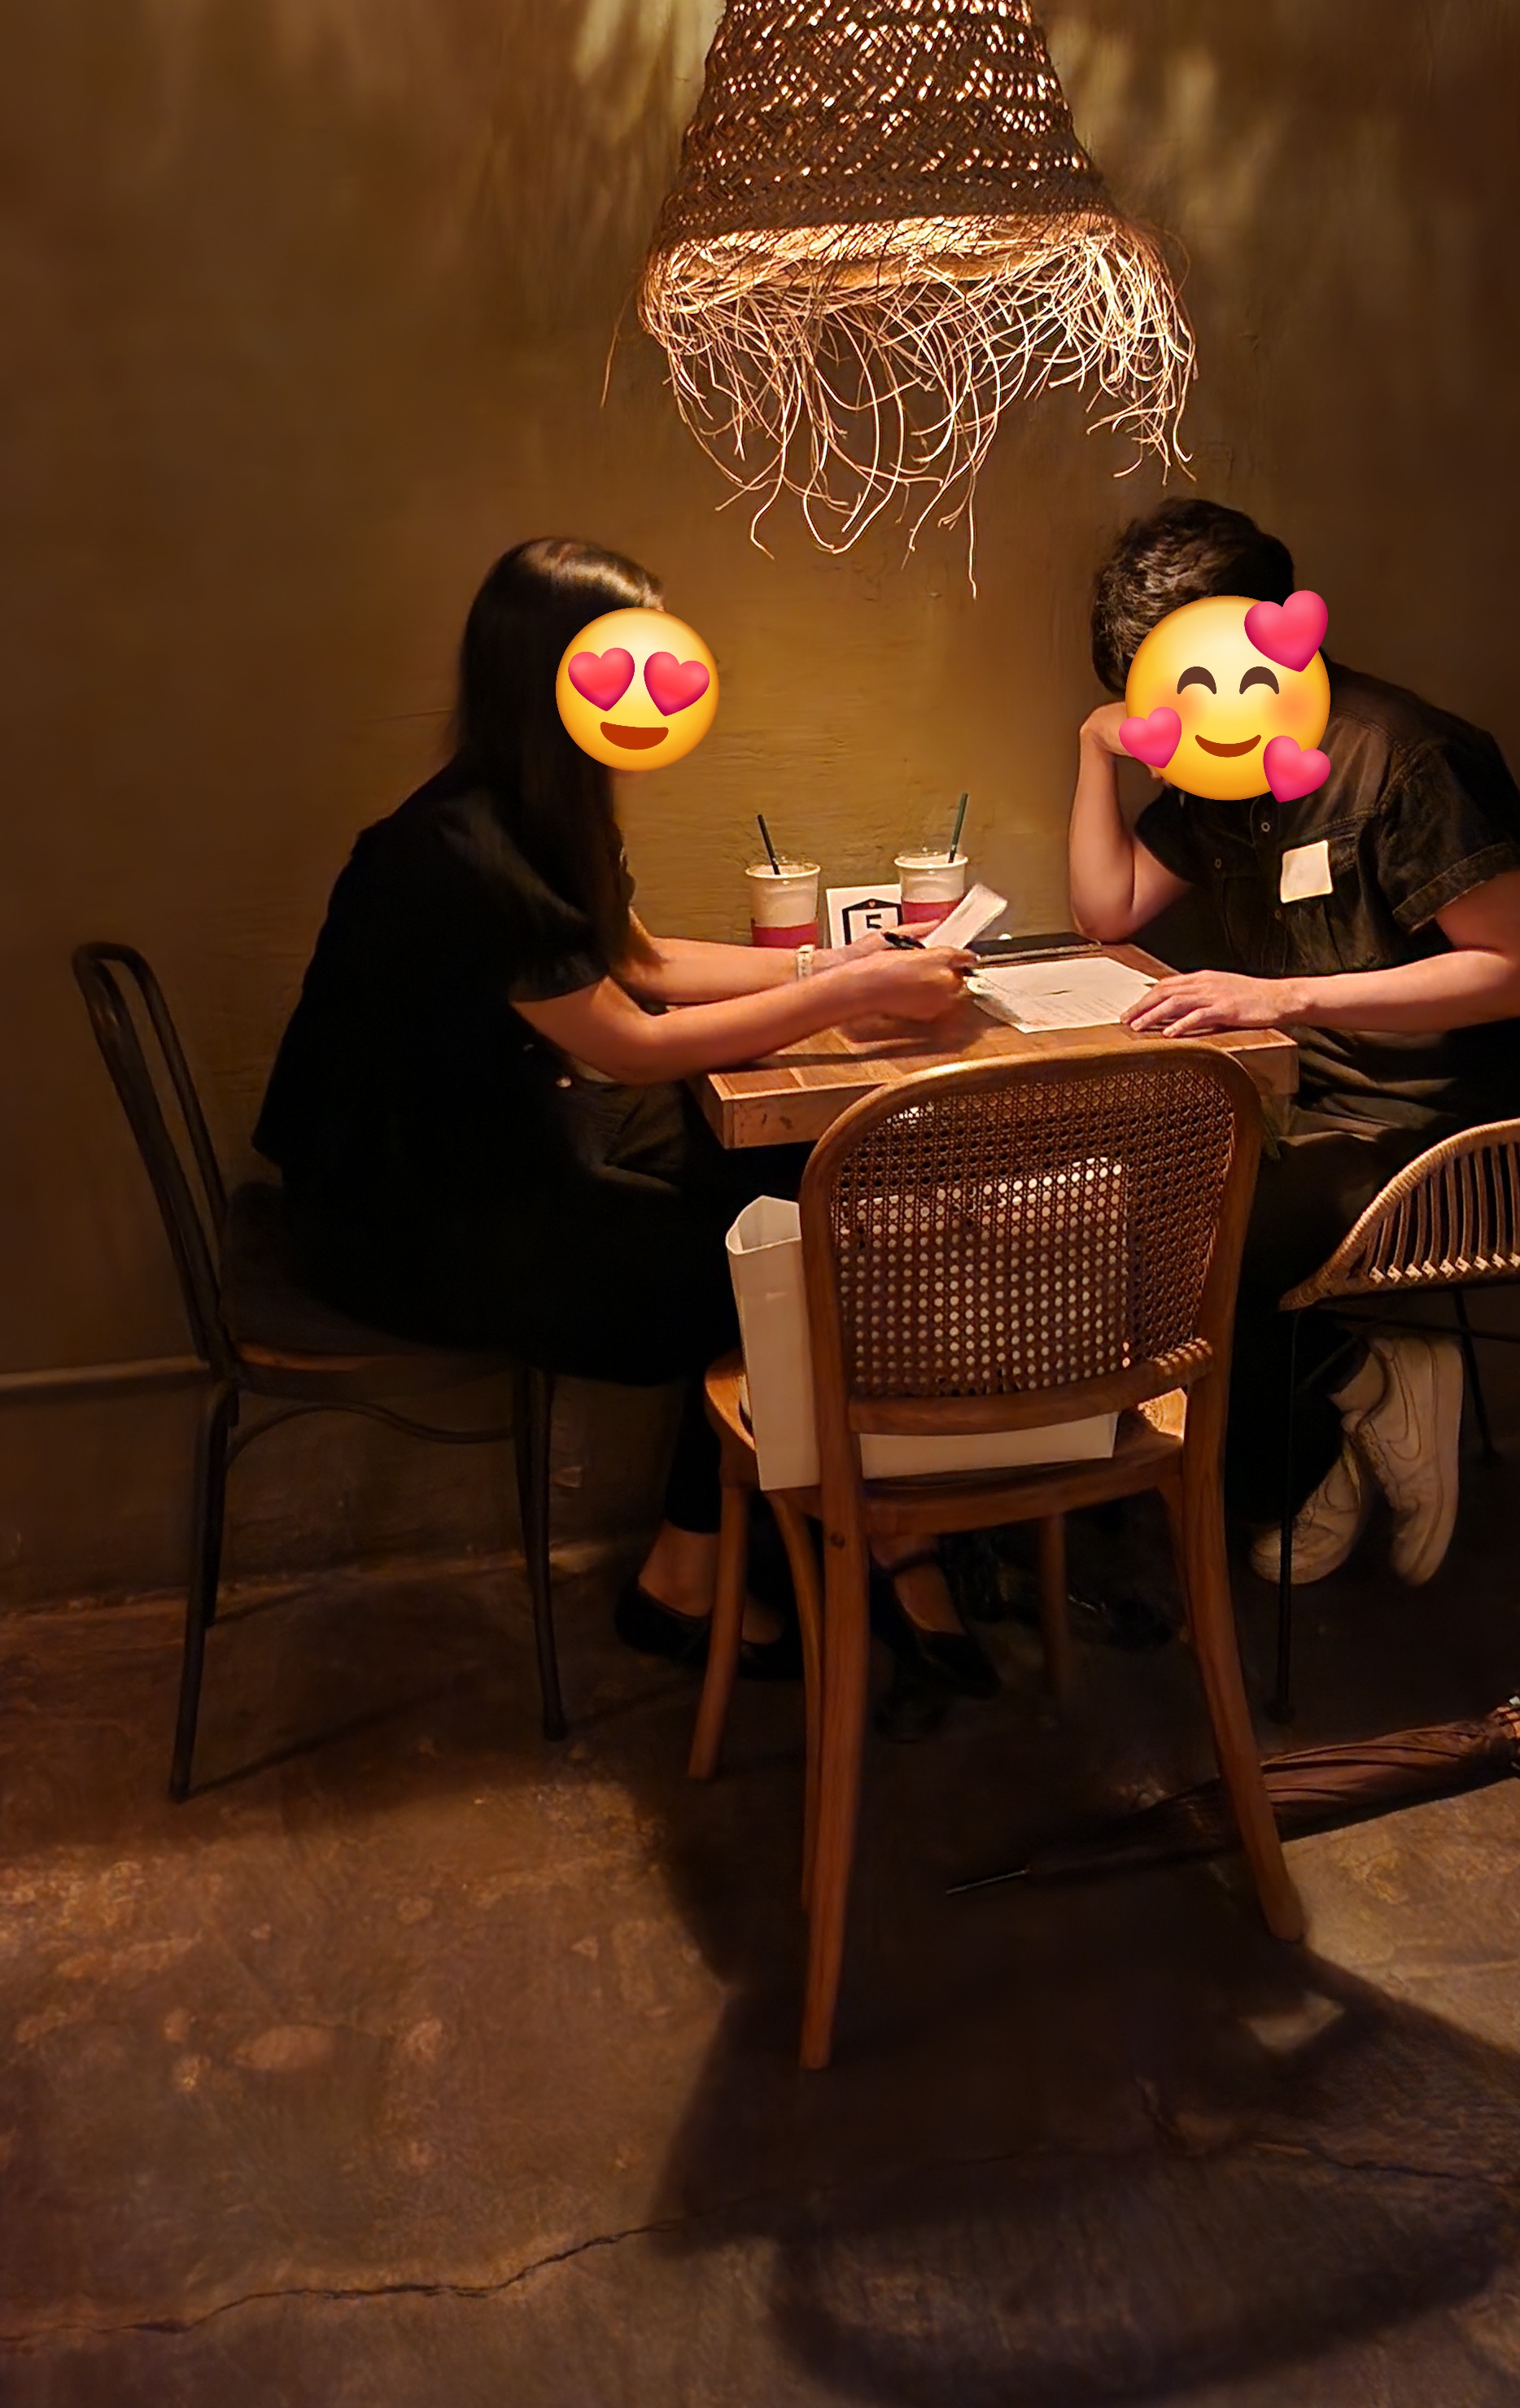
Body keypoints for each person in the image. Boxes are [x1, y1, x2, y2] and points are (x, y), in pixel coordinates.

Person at [256, 536, 984, 1682]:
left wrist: (835, 964)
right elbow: (632, 1044)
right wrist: (853, 995)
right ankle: (695, 1575)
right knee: (779, 1268)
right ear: (545, 673)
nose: (655, 692)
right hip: (402, 1219)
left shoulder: (542, 806)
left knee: (787, 1186)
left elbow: (638, 962)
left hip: (495, 1143)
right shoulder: (463, 847)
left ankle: (834, 1527)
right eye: (625, 665)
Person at [1068, 499, 1520, 1588]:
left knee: (1202, 1242)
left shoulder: (1405, 758)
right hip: (1301, 1098)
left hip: (1442, 1119)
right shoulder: (1226, 751)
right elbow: (1106, 910)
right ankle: (1357, 1403)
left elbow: (1518, 973)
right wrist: (1092, 754)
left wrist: (1277, 998)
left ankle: (1317, 1442)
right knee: (1112, 1205)